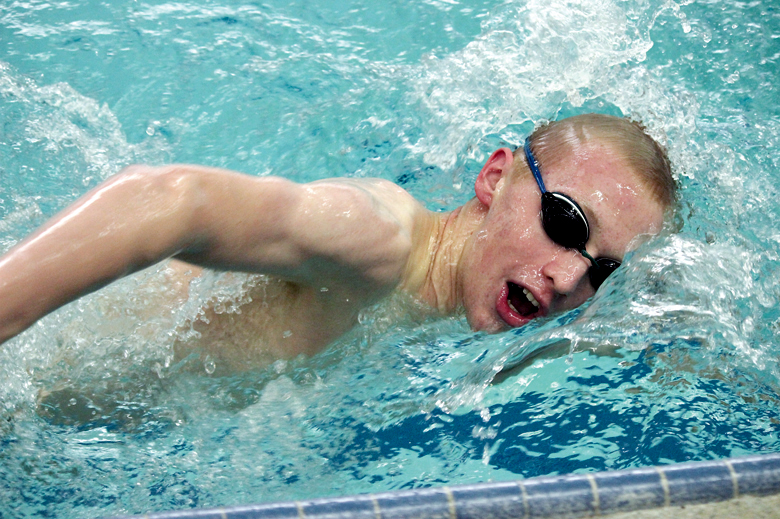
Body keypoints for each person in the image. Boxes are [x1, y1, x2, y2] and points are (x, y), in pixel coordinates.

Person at [0, 113, 675, 371]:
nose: (566, 277)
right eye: (564, 222)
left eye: (603, 269)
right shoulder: (378, 244)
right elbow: (171, 201)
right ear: (495, 178)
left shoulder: (500, 304)